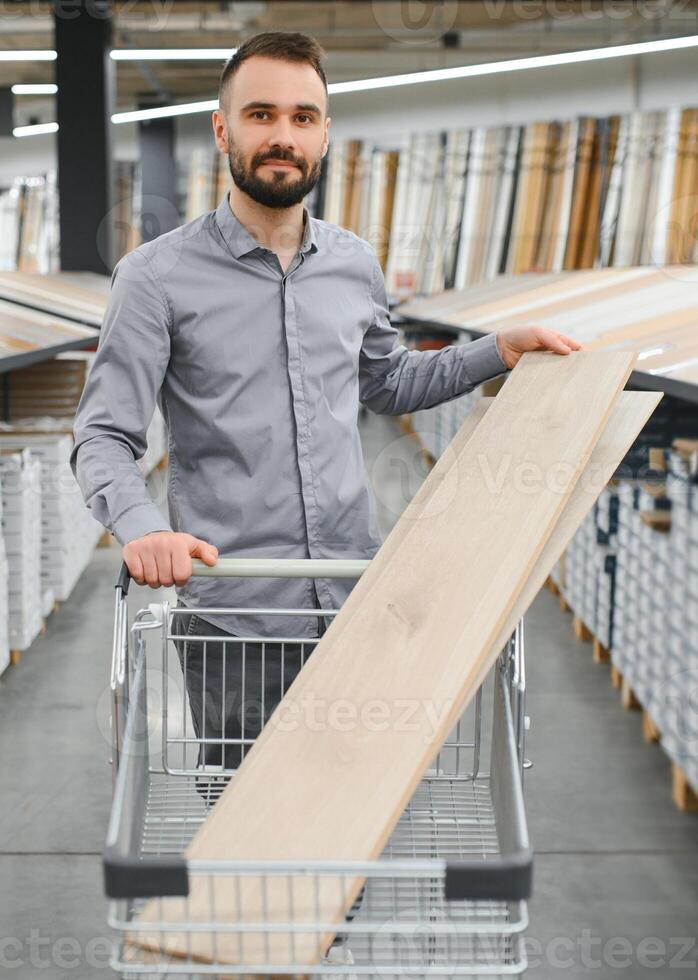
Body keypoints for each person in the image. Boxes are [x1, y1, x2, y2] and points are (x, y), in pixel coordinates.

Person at [71, 29, 580, 967]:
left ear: (324, 135)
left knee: (344, 834)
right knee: (257, 834)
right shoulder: (156, 278)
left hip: (351, 604)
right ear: (223, 130)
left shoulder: (351, 263)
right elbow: (102, 435)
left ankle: (315, 950)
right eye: (261, 114)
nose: (282, 135)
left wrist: (495, 352)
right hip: (236, 616)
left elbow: (386, 383)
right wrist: (143, 529)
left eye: (302, 117)